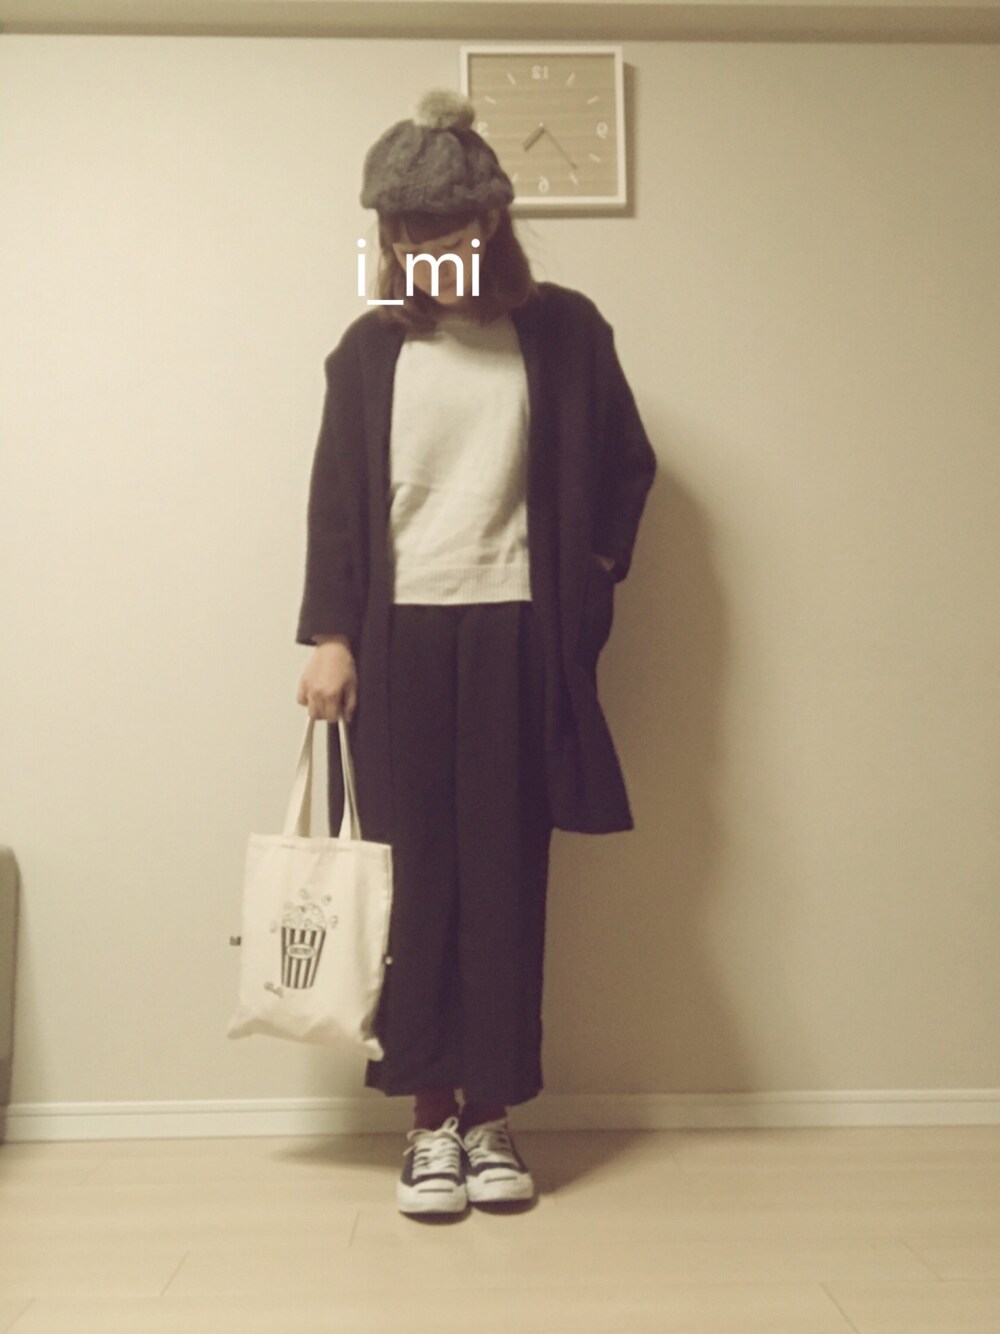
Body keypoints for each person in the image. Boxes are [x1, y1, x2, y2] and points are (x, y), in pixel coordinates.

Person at [295, 89, 656, 1217]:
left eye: (443, 234)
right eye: (405, 239)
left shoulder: (565, 332)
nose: (425, 257)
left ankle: (492, 1117)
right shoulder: (368, 349)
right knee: (410, 882)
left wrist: (591, 573)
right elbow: (338, 506)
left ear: (491, 222)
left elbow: (626, 466)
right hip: (397, 642)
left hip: (516, 637)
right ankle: (427, 1122)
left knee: (504, 878)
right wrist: (333, 635)